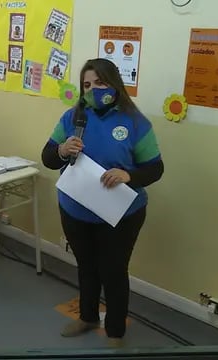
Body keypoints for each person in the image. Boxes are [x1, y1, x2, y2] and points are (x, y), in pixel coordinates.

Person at [41, 58, 164, 347]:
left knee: (113, 270)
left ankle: (115, 331)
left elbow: (155, 169)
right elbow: (48, 157)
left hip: (120, 213)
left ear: (114, 84)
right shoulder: (72, 118)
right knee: (86, 265)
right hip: (75, 209)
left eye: (100, 83)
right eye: (87, 84)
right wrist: (61, 149)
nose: (93, 89)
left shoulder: (135, 122)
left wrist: (128, 175)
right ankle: (87, 316)